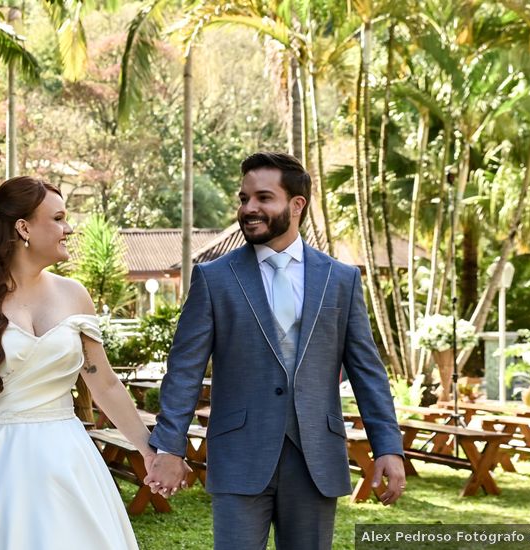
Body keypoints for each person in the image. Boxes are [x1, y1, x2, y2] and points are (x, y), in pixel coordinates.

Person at [146, 152, 406, 549]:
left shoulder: (341, 279)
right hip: (239, 455)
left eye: (263, 198)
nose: (249, 208)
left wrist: (387, 446)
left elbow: (367, 371)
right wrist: (169, 446)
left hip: (315, 456)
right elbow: (184, 370)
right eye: (244, 198)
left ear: (296, 204)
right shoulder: (214, 278)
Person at [0, 176, 152, 549]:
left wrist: (149, 451)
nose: (69, 229)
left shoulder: (75, 296)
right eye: (58, 218)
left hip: (68, 460)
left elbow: (105, 383)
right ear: (24, 228)